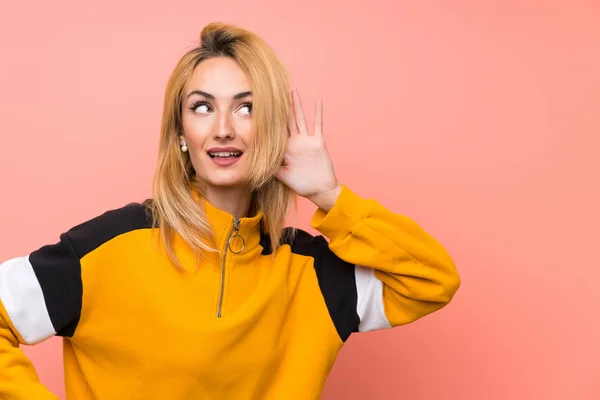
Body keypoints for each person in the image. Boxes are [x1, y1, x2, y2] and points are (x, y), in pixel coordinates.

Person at [0, 22, 461, 400]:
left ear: (272, 129)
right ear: (180, 132)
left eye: (246, 108)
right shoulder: (112, 246)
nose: (223, 129)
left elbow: (433, 281)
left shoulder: (311, 273)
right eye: (202, 107)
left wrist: (330, 195)